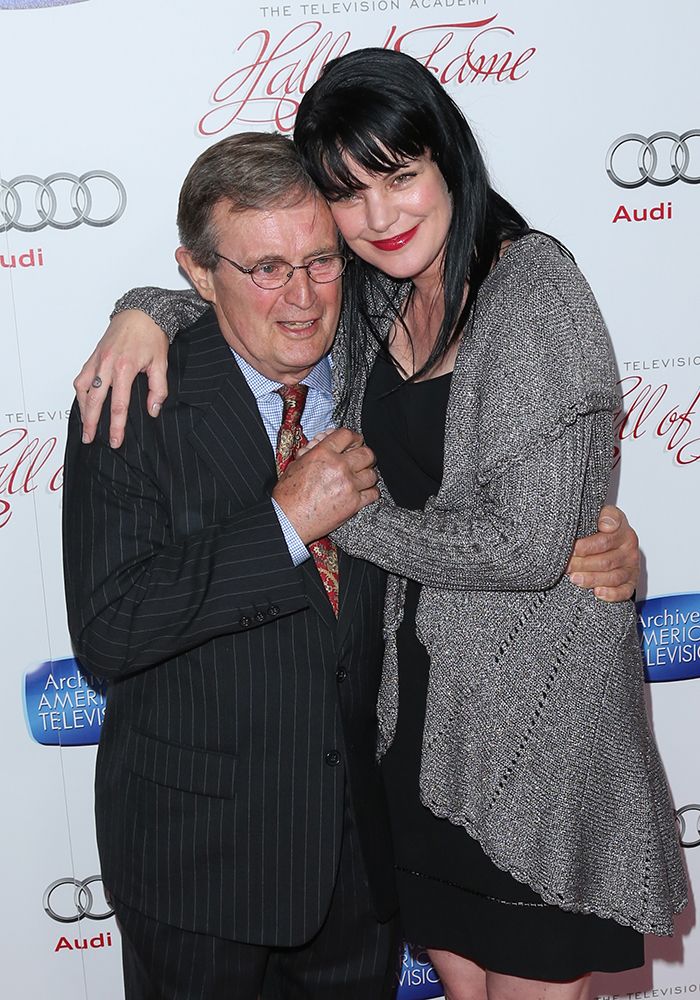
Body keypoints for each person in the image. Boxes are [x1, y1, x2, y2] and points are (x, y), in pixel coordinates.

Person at [71, 52, 661, 1000]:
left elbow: (518, 541)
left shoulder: (528, 290)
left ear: (448, 161)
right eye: (350, 195)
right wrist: (140, 309)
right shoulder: (369, 300)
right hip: (401, 753)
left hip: (522, 734)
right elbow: (260, 297)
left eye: (400, 177)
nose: (377, 219)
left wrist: (331, 516)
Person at [62, 132, 400, 1000]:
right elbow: (110, 631)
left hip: (360, 870)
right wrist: (284, 521)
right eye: (266, 269)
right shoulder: (133, 398)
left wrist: (590, 536)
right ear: (199, 273)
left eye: (320, 260)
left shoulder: (385, 368)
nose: (301, 298)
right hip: (198, 870)